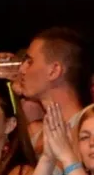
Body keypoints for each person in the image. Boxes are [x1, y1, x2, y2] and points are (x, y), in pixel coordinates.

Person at [13, 28, 90, 159]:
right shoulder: (34, 134)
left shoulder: (88, 130)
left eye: (30, 62)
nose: (22, 69)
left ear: (54, 71)